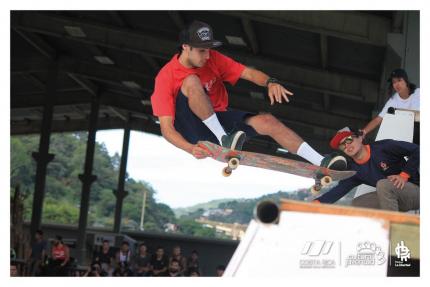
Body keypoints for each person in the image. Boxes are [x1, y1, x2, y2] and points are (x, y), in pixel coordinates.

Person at [151, 20, 346, 170]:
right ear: (185, 47)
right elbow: (167, 129)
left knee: (268, 121)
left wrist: (270, 82)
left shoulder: (214, 60)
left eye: (209, 50)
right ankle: (223, 138)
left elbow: (249, 73)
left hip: (217, 118)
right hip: (190, 129)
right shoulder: (166, 77)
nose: (207, 56)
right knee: (191, 80)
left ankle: (321, 162)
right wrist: (189, 148)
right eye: (202, 51)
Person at [314, 128, 419, 212]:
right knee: (358, 204)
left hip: (416, 191)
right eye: (342, 146)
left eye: (349, 140)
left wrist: (404, 175)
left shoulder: (384, 147)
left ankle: (394, 229)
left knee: (383, 185)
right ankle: (378, 233)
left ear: (359, 138)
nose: (347, 146)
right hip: (394, 199)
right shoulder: (354, 170)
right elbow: (338, 191)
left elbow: (417, 150)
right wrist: (316, 203)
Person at [361, 68, 420, 138]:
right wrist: (363, 132)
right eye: (394, 82)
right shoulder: (393, 100)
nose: (397, 84)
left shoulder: (419, 93)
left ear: (406, 81)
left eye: (399, 80)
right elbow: (378, 119)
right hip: (407, 135)